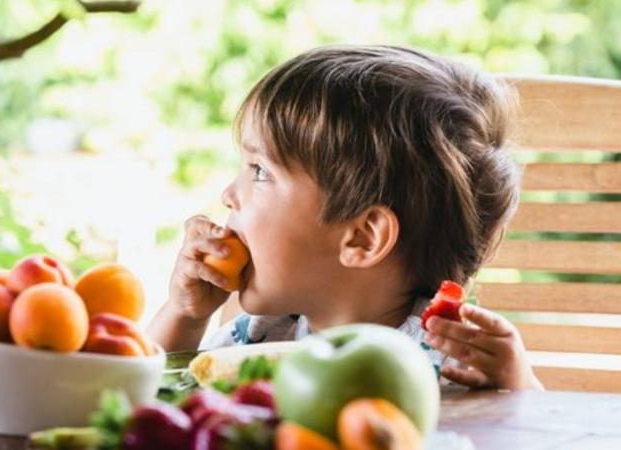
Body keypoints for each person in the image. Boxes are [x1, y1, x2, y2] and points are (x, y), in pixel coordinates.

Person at [147, 45, 543, 390]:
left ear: (362, 238)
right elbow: (139, 400)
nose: (229, 194)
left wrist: (519, 387)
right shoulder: (260, 338)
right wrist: (184, 315)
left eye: (260, 171)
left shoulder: (448, 360)